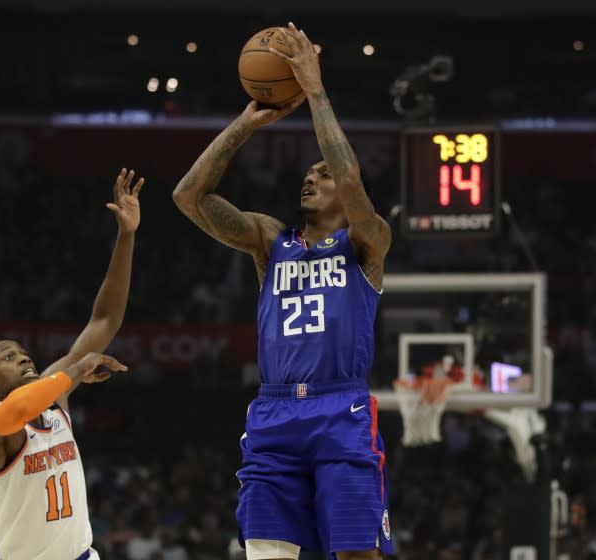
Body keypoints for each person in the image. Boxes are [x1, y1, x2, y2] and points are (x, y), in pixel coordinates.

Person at [172, 22, 393, 560]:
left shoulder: (367, 241)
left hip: (340, 408)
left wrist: (314, 90)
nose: (310, 178)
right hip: (273, 413)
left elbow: (350, 175)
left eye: (322, 173)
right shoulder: (272, 242)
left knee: (357, 553)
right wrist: (245, 125)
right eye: (307, 174)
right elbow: (188, 196)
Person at [0, 168, 144, 560]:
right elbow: (17, 410)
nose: (24, 358)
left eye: (23, 352)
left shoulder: (53, 395)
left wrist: (127, 235)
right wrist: (76, 371)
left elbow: (105, 321)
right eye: (9, 357)